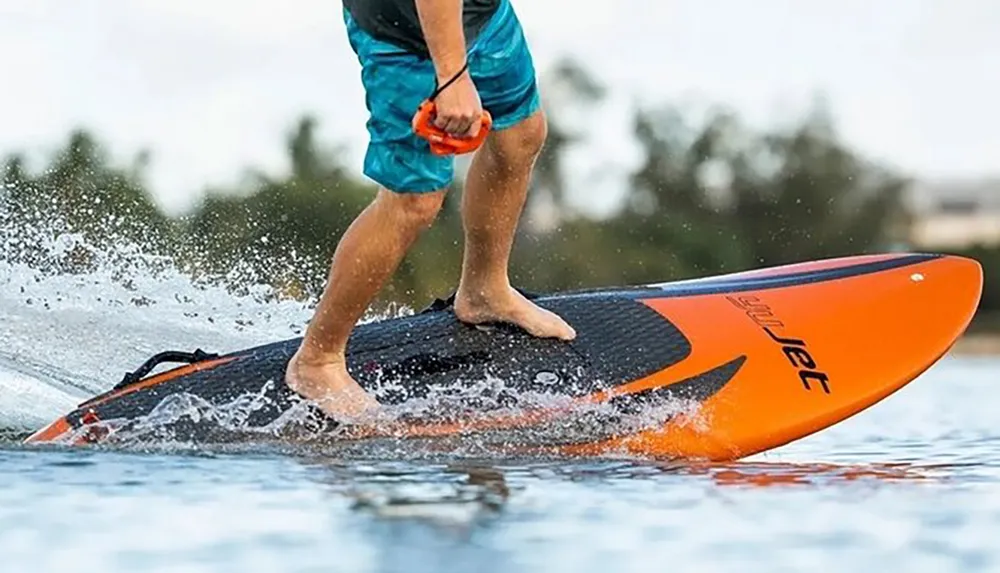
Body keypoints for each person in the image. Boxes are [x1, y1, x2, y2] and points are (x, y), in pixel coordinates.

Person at [284, 0, 577, 423]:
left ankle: (484, 291)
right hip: (406, 33)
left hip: (482, 16)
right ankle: (317, 360)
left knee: (521, 133)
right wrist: (452, 74)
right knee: (414, 201)